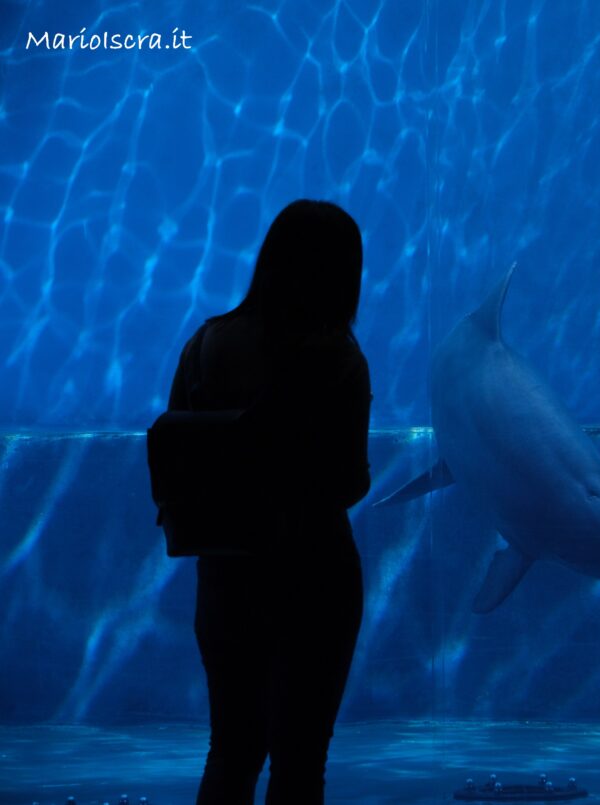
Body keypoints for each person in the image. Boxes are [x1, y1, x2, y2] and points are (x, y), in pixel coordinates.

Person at [167, 200, 371, 804]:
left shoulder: (206, 344)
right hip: (315, 574)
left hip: (227, 575)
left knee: (230, 751)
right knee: (301, 760)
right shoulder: (338, 357)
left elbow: (178, 452)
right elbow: (351, 482)